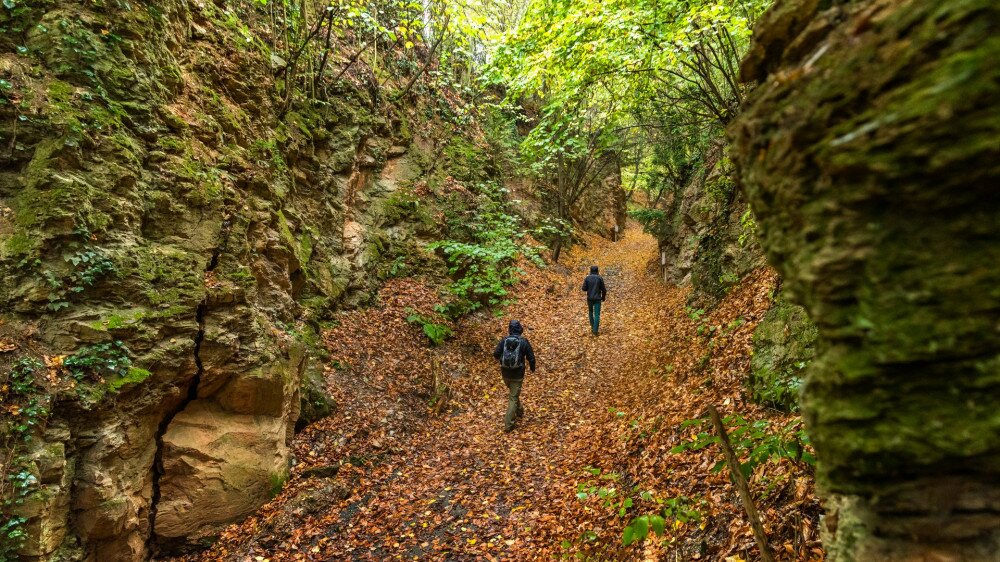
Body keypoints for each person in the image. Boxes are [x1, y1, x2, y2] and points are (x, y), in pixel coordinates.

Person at [492, 319, 536, 432]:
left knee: (513, 394)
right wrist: (532, 368)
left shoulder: (504, 340)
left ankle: (520, 411)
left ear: (510, 329)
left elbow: (496, 354)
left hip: (505, 374)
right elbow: (531, 357)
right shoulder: (524, 342)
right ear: (520, 329)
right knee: (513, 397)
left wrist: (503, 360)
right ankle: (508, 425)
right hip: (518, 374)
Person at [581, 265, 608, 335]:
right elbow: (604, 289)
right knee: (597, 314)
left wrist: (589, 288)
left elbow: (583, 288)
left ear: (590, 270)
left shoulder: (587, 278)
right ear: (597, 270)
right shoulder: (599, 278)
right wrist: (603, 297)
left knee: (590, 312)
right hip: (597, 299)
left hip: (589, 298)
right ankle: (595, 330)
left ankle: (592, 327)